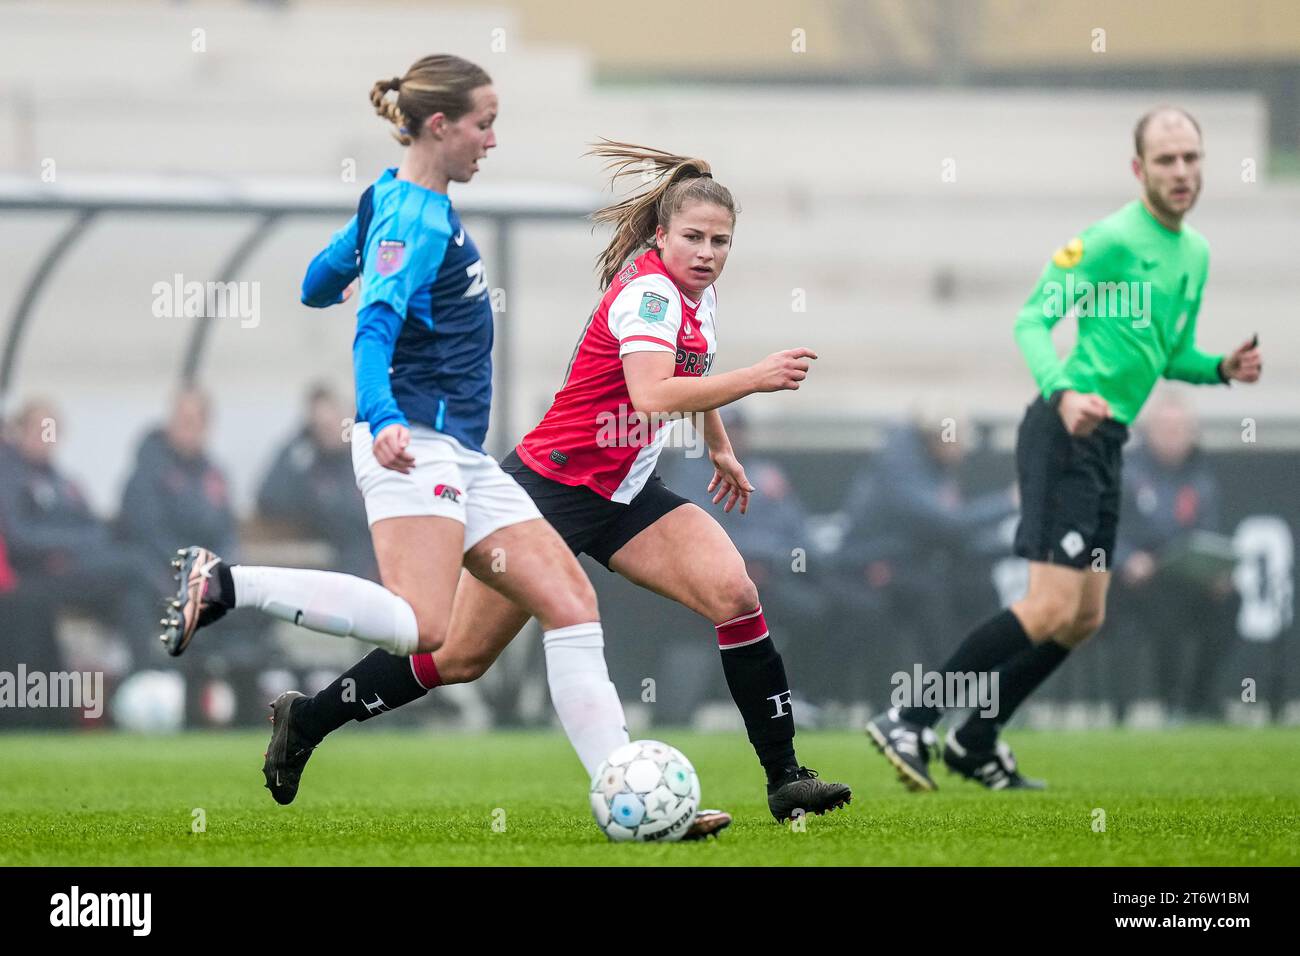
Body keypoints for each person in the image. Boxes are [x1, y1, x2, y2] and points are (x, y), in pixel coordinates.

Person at [161, 56, 744, 837]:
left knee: (570, 605)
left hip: (462, 456)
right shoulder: (416, 217)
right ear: (441, 126)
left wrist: (360, 252)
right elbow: (373, 324)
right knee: (425, 628)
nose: (492, 140)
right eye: (483, 123)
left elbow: (314, 283)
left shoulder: (392, 201)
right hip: (416, 440)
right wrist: (383, 411)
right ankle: (227, 583)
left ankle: (635, 805)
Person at [263, 139, 853, 823]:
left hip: (625, 495)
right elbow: (656, 395)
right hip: (545, 494)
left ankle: (784, 777)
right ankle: (307, 720)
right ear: (661, 236)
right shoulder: (652, 296)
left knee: (736, 593)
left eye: (720, 241)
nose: (707, 251)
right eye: (693, 237)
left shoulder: (699, 294)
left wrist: (719, 448)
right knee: (456, 655)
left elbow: (687, 376)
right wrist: (759, 376)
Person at [867, 106, 1263, 791]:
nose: (1180, 171)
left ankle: (976, 739)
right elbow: (1032, 318)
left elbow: (1170, 353)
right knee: (1050, 607)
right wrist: (1061, 391)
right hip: (1063, 434)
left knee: (1084, 616)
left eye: (1190, 158)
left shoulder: (1193, 253)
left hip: (1110, 443)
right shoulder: (1110, 239)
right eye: (1165, 160)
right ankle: (910, 716)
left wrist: (1219, 369)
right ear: (1139, 169)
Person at [0, 399, 162, 667]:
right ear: (20, 431)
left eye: (50, 430)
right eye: (38, 429)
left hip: (77, 568)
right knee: (136, 565)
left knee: (131, 597)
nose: (45, 437)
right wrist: (65, 547)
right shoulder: (9, 478)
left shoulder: (64, 482)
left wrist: (72, 546)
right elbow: (18, 536)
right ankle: (186, 622)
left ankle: (146, 675)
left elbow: (96, 530)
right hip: (39, 574)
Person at [1114, 391, 1234, 718]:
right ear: (1149, 431)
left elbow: (1209, 531)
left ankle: (1200, 700)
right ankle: (1170, 702)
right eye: (1165, 428)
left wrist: (1216, 571)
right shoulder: (1125, 472)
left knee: (1229, 600)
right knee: (1165, 603)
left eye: (1179, 428)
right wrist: (1128, 560)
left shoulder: (1202, 474)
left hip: (1189, 575)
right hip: (1139, 582)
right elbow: (1103, 532)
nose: (1172, 436)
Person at [256, 383, 378, 581]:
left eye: (334, 420)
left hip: (378, 557)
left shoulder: (366, 460)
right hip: (346, 567)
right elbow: (268, 498)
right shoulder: (313, 475)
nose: (329, 429)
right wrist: (298, 437)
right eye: (321, 426)